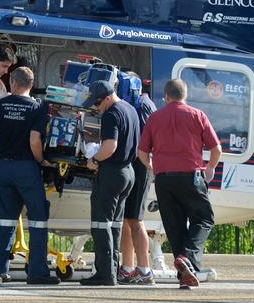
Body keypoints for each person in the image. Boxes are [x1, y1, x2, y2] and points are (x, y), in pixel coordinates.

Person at [138, 79, 221, 289]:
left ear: (166, 96)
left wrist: (152, 167)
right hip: (191, 176)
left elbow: (142, 152)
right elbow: (216, 149)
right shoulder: (197, 115)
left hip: (164, 179)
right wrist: (210, 167)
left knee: (174, 227)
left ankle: (184, 275)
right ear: (185, 96)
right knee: (203, 219)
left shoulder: (155, 118)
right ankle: (187, 258)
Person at [0, 67, 59, 285]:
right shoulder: (37, 107)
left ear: (13, 83)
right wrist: (40, 160)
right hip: (27, 167)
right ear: (31, 85)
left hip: (5, 167)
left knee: (6, 220)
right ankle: (37, 273)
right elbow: (35, 140)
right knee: (37, 220)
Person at [81, 80, 139, 286]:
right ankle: (112, 271)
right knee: (114, 225)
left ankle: (104, 274)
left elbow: (110, 146)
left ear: (107, 98)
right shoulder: (130, 109)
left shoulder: (111, 113)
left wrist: (94, 159)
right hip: (128, 173)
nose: (97, 108)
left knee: (100, 224)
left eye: (97, 103)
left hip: (111, 173)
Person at [118, 73, 157, 285]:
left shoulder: (142, 106)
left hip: (140, 166)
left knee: (135, 219)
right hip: (138, 165)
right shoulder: (142, 103)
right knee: (126, 219)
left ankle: (144, 269)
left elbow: (141, 141)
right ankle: (127, 267)